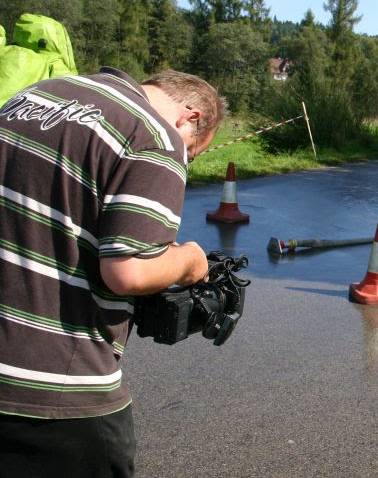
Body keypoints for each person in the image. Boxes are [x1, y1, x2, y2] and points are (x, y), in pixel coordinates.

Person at [0, 67, 226, 476]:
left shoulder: (34, 96)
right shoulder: (154, 136)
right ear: (190, 119)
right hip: (54, 391)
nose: (186, 159)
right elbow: (130, 272)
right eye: (193, 153)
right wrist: (191, 261)